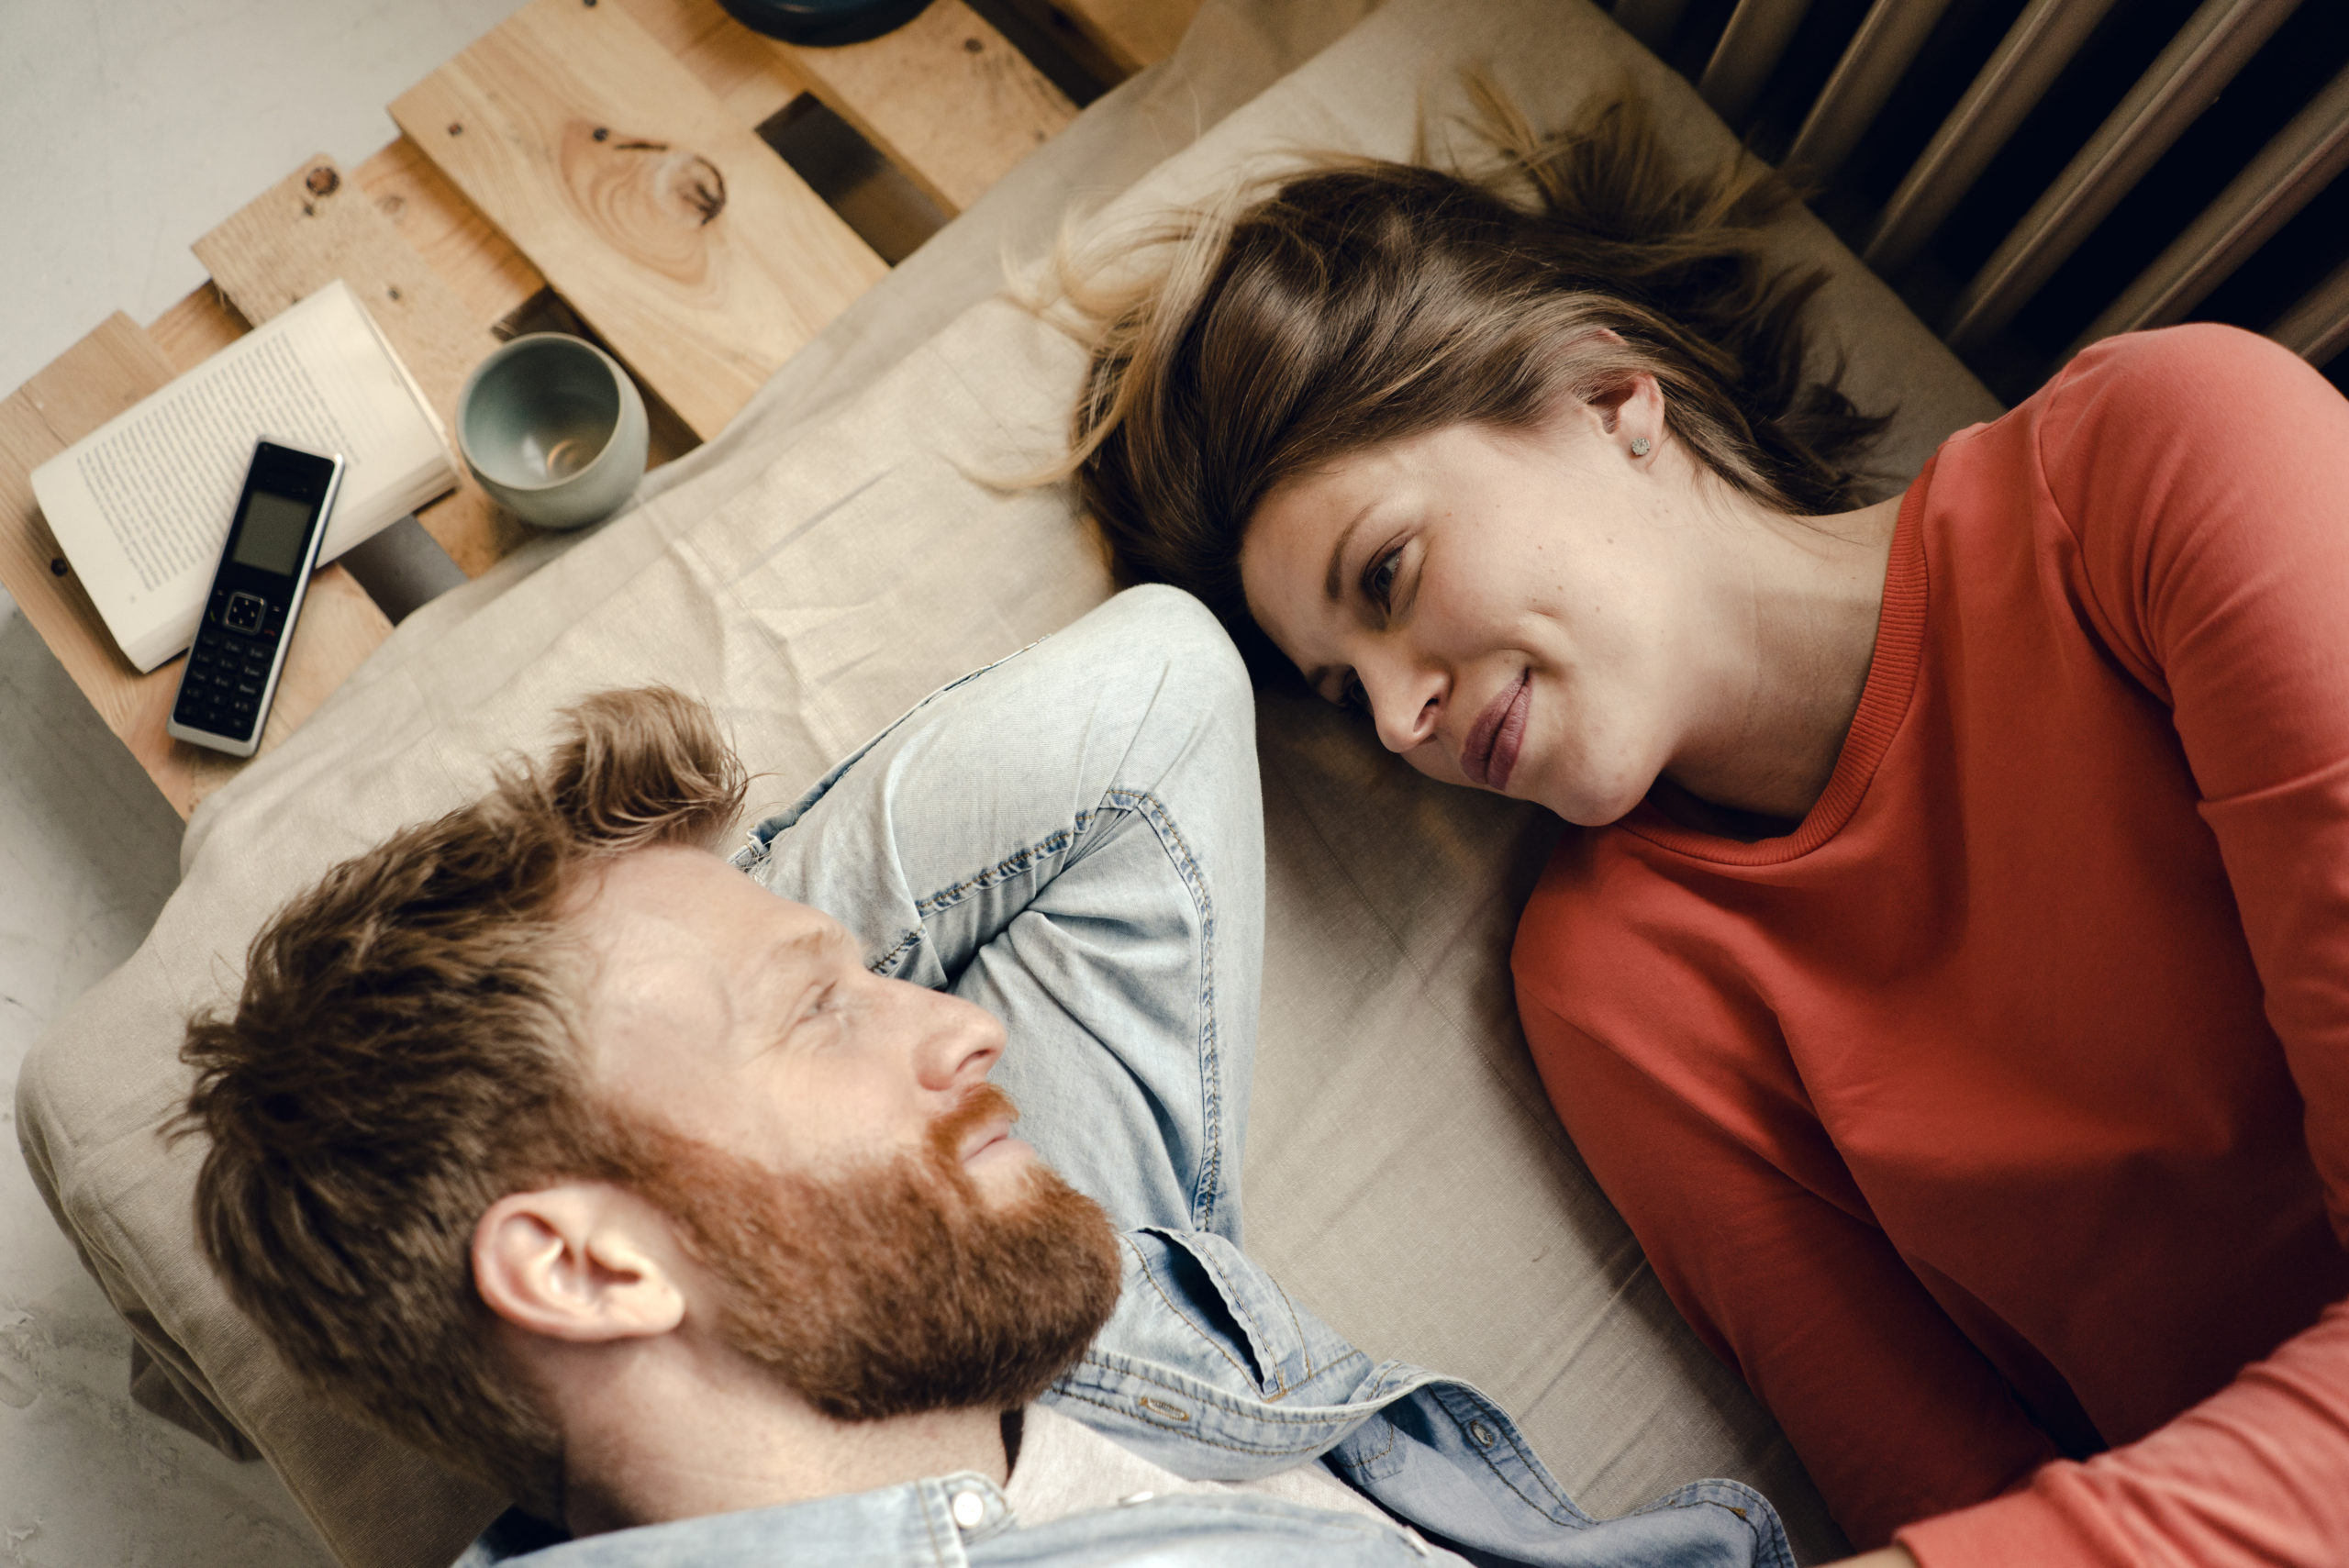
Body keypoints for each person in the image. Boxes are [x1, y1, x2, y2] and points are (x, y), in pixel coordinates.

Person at [1055, 91, 2349, 1568]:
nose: (1402, 720)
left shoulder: (2158, 457)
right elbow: (1939, 1490)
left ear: (1612, 401)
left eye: (1390, 573)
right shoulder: (1617, 981)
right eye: (1344, 695)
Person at [178, 586, 1796, 1568]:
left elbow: (1145, 703)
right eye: (825, 1016)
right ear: (585, 1261)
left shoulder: (980, 1305)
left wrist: (692, 959)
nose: (963, 1026)